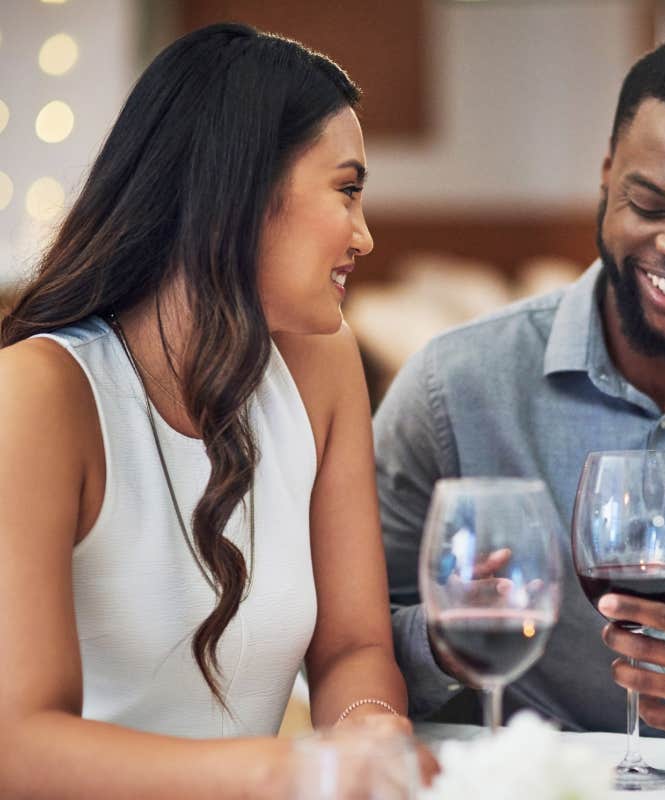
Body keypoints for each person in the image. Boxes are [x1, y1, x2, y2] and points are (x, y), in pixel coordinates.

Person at [0, 22, 420, 799]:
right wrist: (291, 769)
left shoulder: (321, 365)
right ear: (245, 188)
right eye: (348, 189)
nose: (363, 234)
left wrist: (367, 725)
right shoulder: (39, 394)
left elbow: (353, 645)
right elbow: (19, 749)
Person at [375, 31, 665, 741]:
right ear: (606, 173)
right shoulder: (456, 386)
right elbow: (343, 646)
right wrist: (448, 635)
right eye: (651, 206)